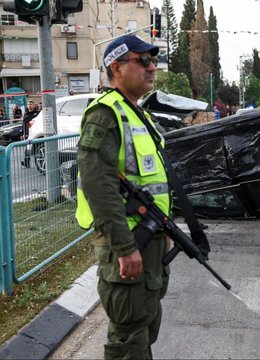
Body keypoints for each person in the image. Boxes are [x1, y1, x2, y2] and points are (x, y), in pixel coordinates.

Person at [75, 35, 173, 359]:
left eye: (153, 61)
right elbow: (97, 184)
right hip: (129, 243)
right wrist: (124, 246)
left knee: (146, 329)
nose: (151, 68)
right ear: (116, 67)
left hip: (152, 240)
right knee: (129, 340)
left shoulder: (139, 115)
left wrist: (166, 231)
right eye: (142, 61)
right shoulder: (105, 114)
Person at [21, 100, 40, 167]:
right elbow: (23, 125)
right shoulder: (25, 113)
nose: (29, 105)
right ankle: (26, 163)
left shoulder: (37, 113)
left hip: (36, 132)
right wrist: (22, 133)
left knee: (38, 148)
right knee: (27, 148)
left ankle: (40, 161)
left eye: (31, 104)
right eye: (28, 104)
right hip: (28, 133)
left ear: (34, 105)